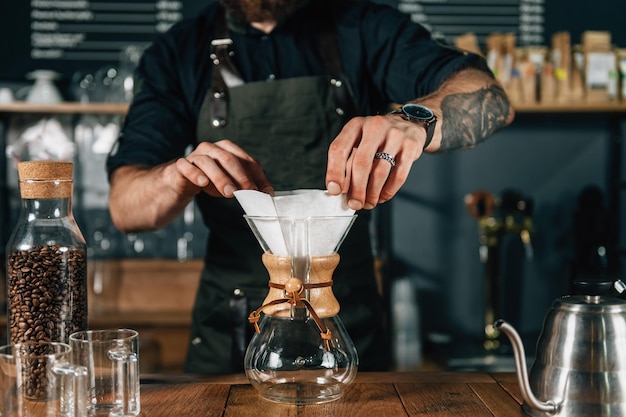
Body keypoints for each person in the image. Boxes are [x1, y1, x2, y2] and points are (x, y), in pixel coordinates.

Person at [106, 0, 515, 374]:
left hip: (346, 323)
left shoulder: (363, 27)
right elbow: (126, 207)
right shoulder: (178, 50)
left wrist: (418, 120)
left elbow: (491, 96)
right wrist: (177, 176)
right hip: (229, 330)